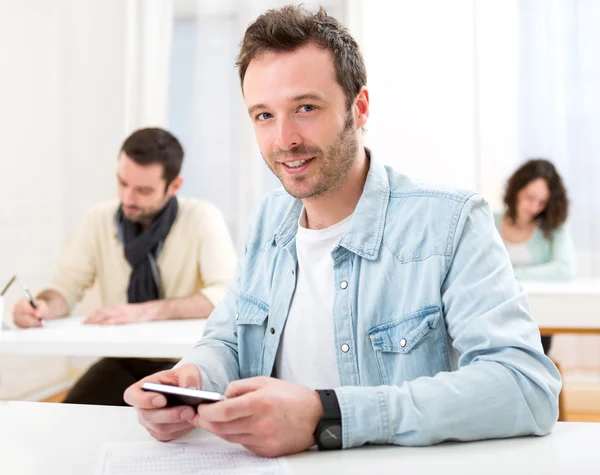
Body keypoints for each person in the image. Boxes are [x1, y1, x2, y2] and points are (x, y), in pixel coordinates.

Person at [124, 6, 561, 457]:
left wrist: (326, 415)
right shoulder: (269, 219)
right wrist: (191, 379)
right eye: (264, 116)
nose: (284, 139)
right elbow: (228, 340)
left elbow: (526, 386)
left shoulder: (450, 222)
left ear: (360, 108)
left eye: (306, 108)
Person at [12, 127, 237, 405]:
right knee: (68, 415)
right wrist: (43, 306)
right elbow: (65, 289)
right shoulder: (99, 218)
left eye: (143, 190)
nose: (128, 199)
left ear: (175, 185)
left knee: (166, 428)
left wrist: (144, 312)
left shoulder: (202, 217)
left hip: (184, 362)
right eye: (122, 183)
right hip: (122, 360)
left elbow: (226, 297)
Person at [495, 158, 576, 354]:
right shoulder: (489, 221)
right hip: (495, 311)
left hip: (536, 314)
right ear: (516, 189)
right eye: (530, 197)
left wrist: (512, 275)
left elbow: (565, 270)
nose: (534, 206)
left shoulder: (553, 227)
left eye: (542, 202)